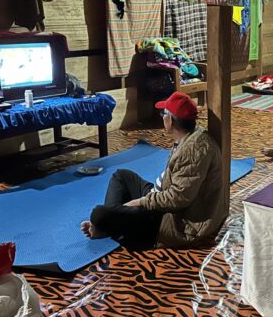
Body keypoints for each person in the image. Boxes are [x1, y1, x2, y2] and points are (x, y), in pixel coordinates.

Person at [80, 92, 224, 249]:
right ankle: (112, 223)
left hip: (178, 221)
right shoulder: (190, 136)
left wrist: (141, 202)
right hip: (162, 196)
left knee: (98, 214)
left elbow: (178, 199)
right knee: (121, 176)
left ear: (170, 120)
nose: (162, 117)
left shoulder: (193, 150)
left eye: (163, 113)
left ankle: (108, 225)